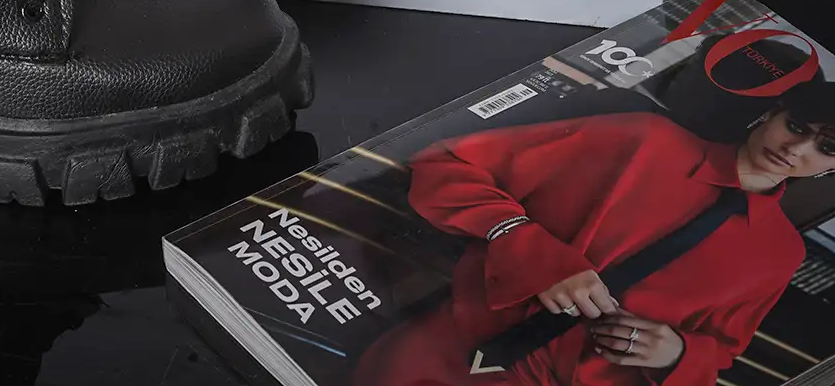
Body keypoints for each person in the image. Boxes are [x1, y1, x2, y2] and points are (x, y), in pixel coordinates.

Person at [352, 78, 835, 386]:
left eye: (826, 148)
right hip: (448, 349)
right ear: (771, 112)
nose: (796, 149)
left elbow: (724, 349)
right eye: (795, 126)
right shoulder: (647, 138)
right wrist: (529, 248)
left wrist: (678, 353)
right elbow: (446, 163)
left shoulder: (781, 253)